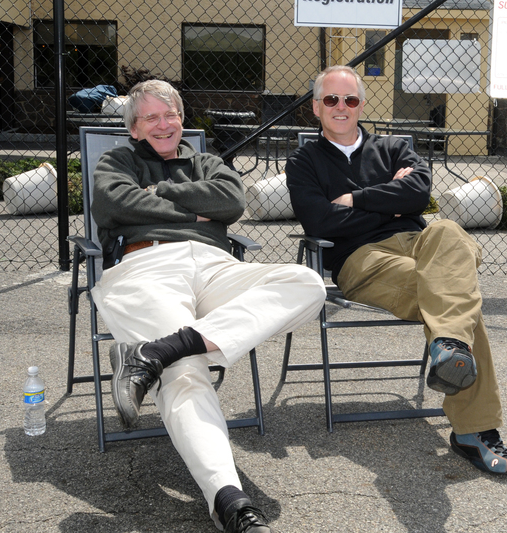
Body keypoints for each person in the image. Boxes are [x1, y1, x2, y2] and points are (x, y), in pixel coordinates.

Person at [90, 79, 326, 532]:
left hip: (216, 265)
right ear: (135, 128)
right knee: (186, 372)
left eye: (170, 115)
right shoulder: (117, 160)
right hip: (146, 265)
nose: (163, 124)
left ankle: (157, 352)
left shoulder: (208, 161)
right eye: (151, 118)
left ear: (182, 119)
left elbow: (231, 201)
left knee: (306, 283)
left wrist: (155, 196)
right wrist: (194, 211)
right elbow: (113, 204)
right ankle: (228, 499)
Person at [285, 65, 507, 476]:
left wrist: (354, 200)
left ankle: (448, 346)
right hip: (362, 259)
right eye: (331, 99)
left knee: (448, 231)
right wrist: (390, 203)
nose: (341, 107)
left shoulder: (394, 147)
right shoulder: (304, 161)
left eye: (350, 99)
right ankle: (474, 428)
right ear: (316, 107)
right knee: (457, 301)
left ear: (361, 105)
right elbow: (320, 222)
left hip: (419, 243)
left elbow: (419, 193)